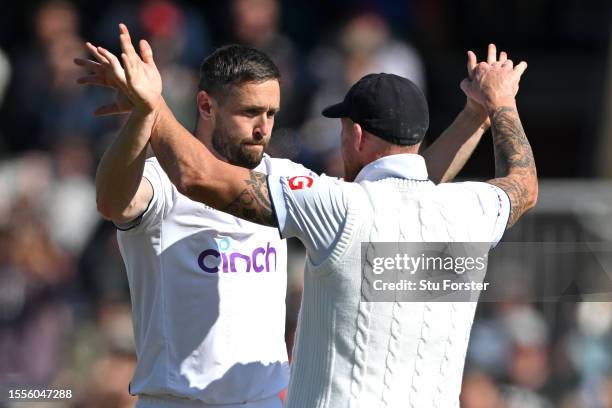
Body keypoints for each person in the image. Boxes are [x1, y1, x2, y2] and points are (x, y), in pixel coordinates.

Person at [76, 24, 501, 407]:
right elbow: (112, 202)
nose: (264, 128)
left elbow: (404, 190)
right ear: (205, 106)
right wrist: (143, 117)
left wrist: (476, 115)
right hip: (177, 401)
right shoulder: (160, 179)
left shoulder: (284, 183)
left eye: (272, 113)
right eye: (249, 112)